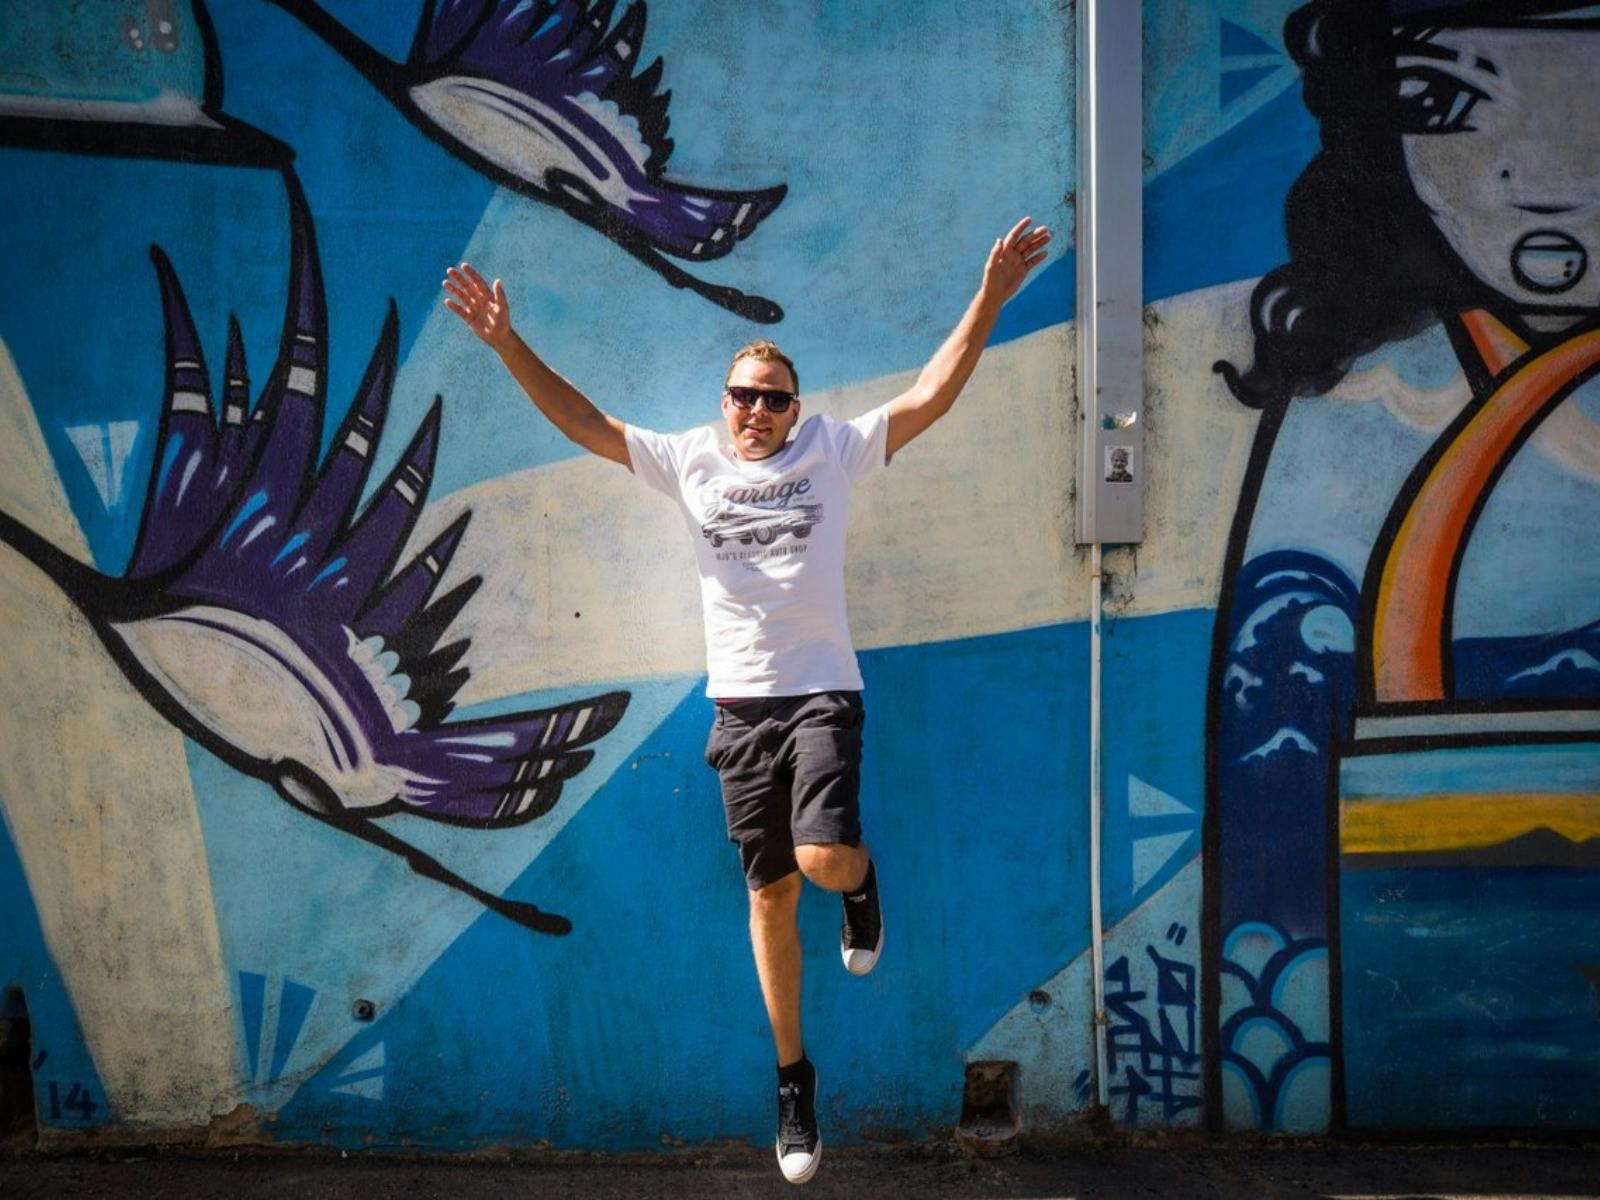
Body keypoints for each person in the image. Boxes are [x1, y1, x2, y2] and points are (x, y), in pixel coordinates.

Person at [442, 217, 1050, 1181]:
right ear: (724, 404)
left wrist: (990, 298)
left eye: (772, 398)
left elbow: (932, 393)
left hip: (819, 696)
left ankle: (859, 879)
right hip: (739, 711)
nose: (756, 411)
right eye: (742, 397)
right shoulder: (692, 462)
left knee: (818, 861)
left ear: (795, 405)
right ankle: (794, 1083)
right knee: (766, 893)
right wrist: (508, 341)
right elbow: (585, 424)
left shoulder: (834, 451)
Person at [1204, 0, 1600, 1131]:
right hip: (1417, 971)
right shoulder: (1359, 402)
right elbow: (1270, 750)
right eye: (1447, 104)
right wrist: (1278, 1059)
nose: (1537, 174)